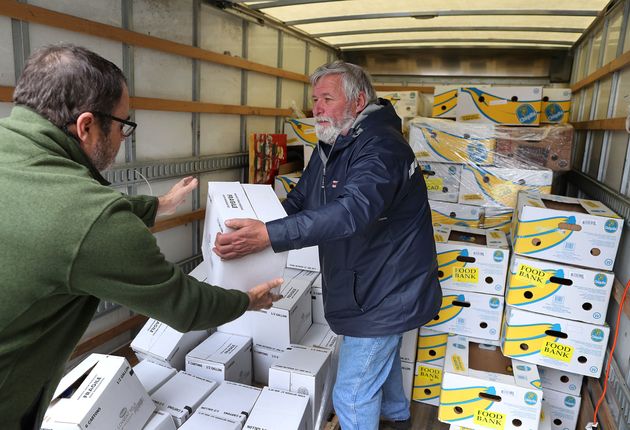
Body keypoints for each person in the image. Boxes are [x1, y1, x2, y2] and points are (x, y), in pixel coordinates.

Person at [0, 43, 282, 429]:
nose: (122, 138)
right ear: (86, 127)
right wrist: (248, 299)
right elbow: (184, 305)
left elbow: (53, 211)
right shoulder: (90, 218)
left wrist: (158, 205)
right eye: (122, 126)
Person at [214, 61, 442, 430]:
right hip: (368, 281)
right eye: (315, 99)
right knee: (381, 364)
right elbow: (300, 199)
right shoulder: (333, 144)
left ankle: (389, 416)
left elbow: (352, 211)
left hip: (387, 289)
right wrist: (260, 231)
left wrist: (269, 235)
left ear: (358, 101)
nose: (317, 108)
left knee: (351, 393)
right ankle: (398, 418)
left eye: (327, 98)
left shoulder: (382, 148)